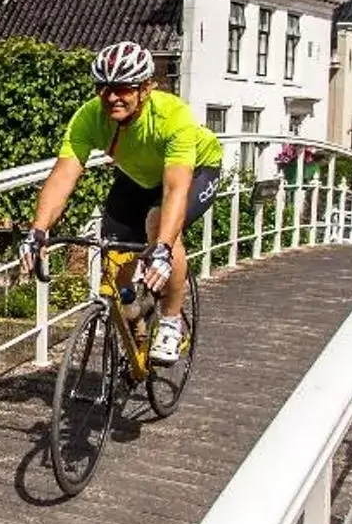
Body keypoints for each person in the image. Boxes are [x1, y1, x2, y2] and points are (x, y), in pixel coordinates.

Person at [18, 40, 224, 365]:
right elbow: (63, 176)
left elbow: (174, 190)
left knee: (160, 226)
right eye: (104, 88)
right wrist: (37, 231)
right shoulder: (89, 117)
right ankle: (134, 315)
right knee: (114, 254)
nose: (112, 97)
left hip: (195, 172)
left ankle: (171, 322)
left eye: (123, 88)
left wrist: (163, 249)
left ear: (145, 88)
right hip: (138, 177)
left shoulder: (173, 117)